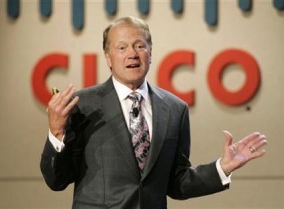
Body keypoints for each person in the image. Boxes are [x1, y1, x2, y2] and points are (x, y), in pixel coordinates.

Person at [40, 16, 267, 209]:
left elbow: (176, 182)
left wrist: (222, 168)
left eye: (139, 46)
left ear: (151, 52)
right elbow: (57, 180)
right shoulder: (83, 105)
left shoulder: (174, 109)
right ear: (108, 58)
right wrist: (56, 132)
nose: (132, 54)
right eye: (122, 47)